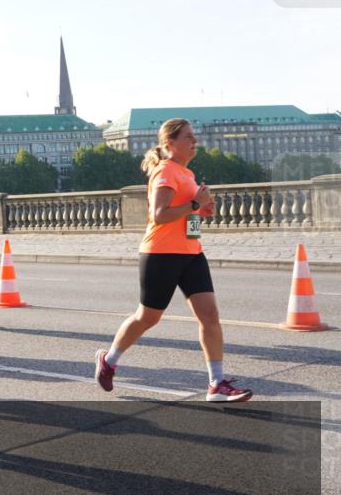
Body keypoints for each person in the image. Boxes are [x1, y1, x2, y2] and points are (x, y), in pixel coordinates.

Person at [94, 118, 252, 402]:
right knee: (147, 317)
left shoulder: (187, 174)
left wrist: (200, 212)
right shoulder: (165, 171)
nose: (195, 141)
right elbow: (159, 215)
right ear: (170, 143)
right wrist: (194, 204)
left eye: (194, 136)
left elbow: (186, 217)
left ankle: (216, 384)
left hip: (192, 254)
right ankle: (109, 360)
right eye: (188, 136)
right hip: (161, 254)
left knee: (210, 316)